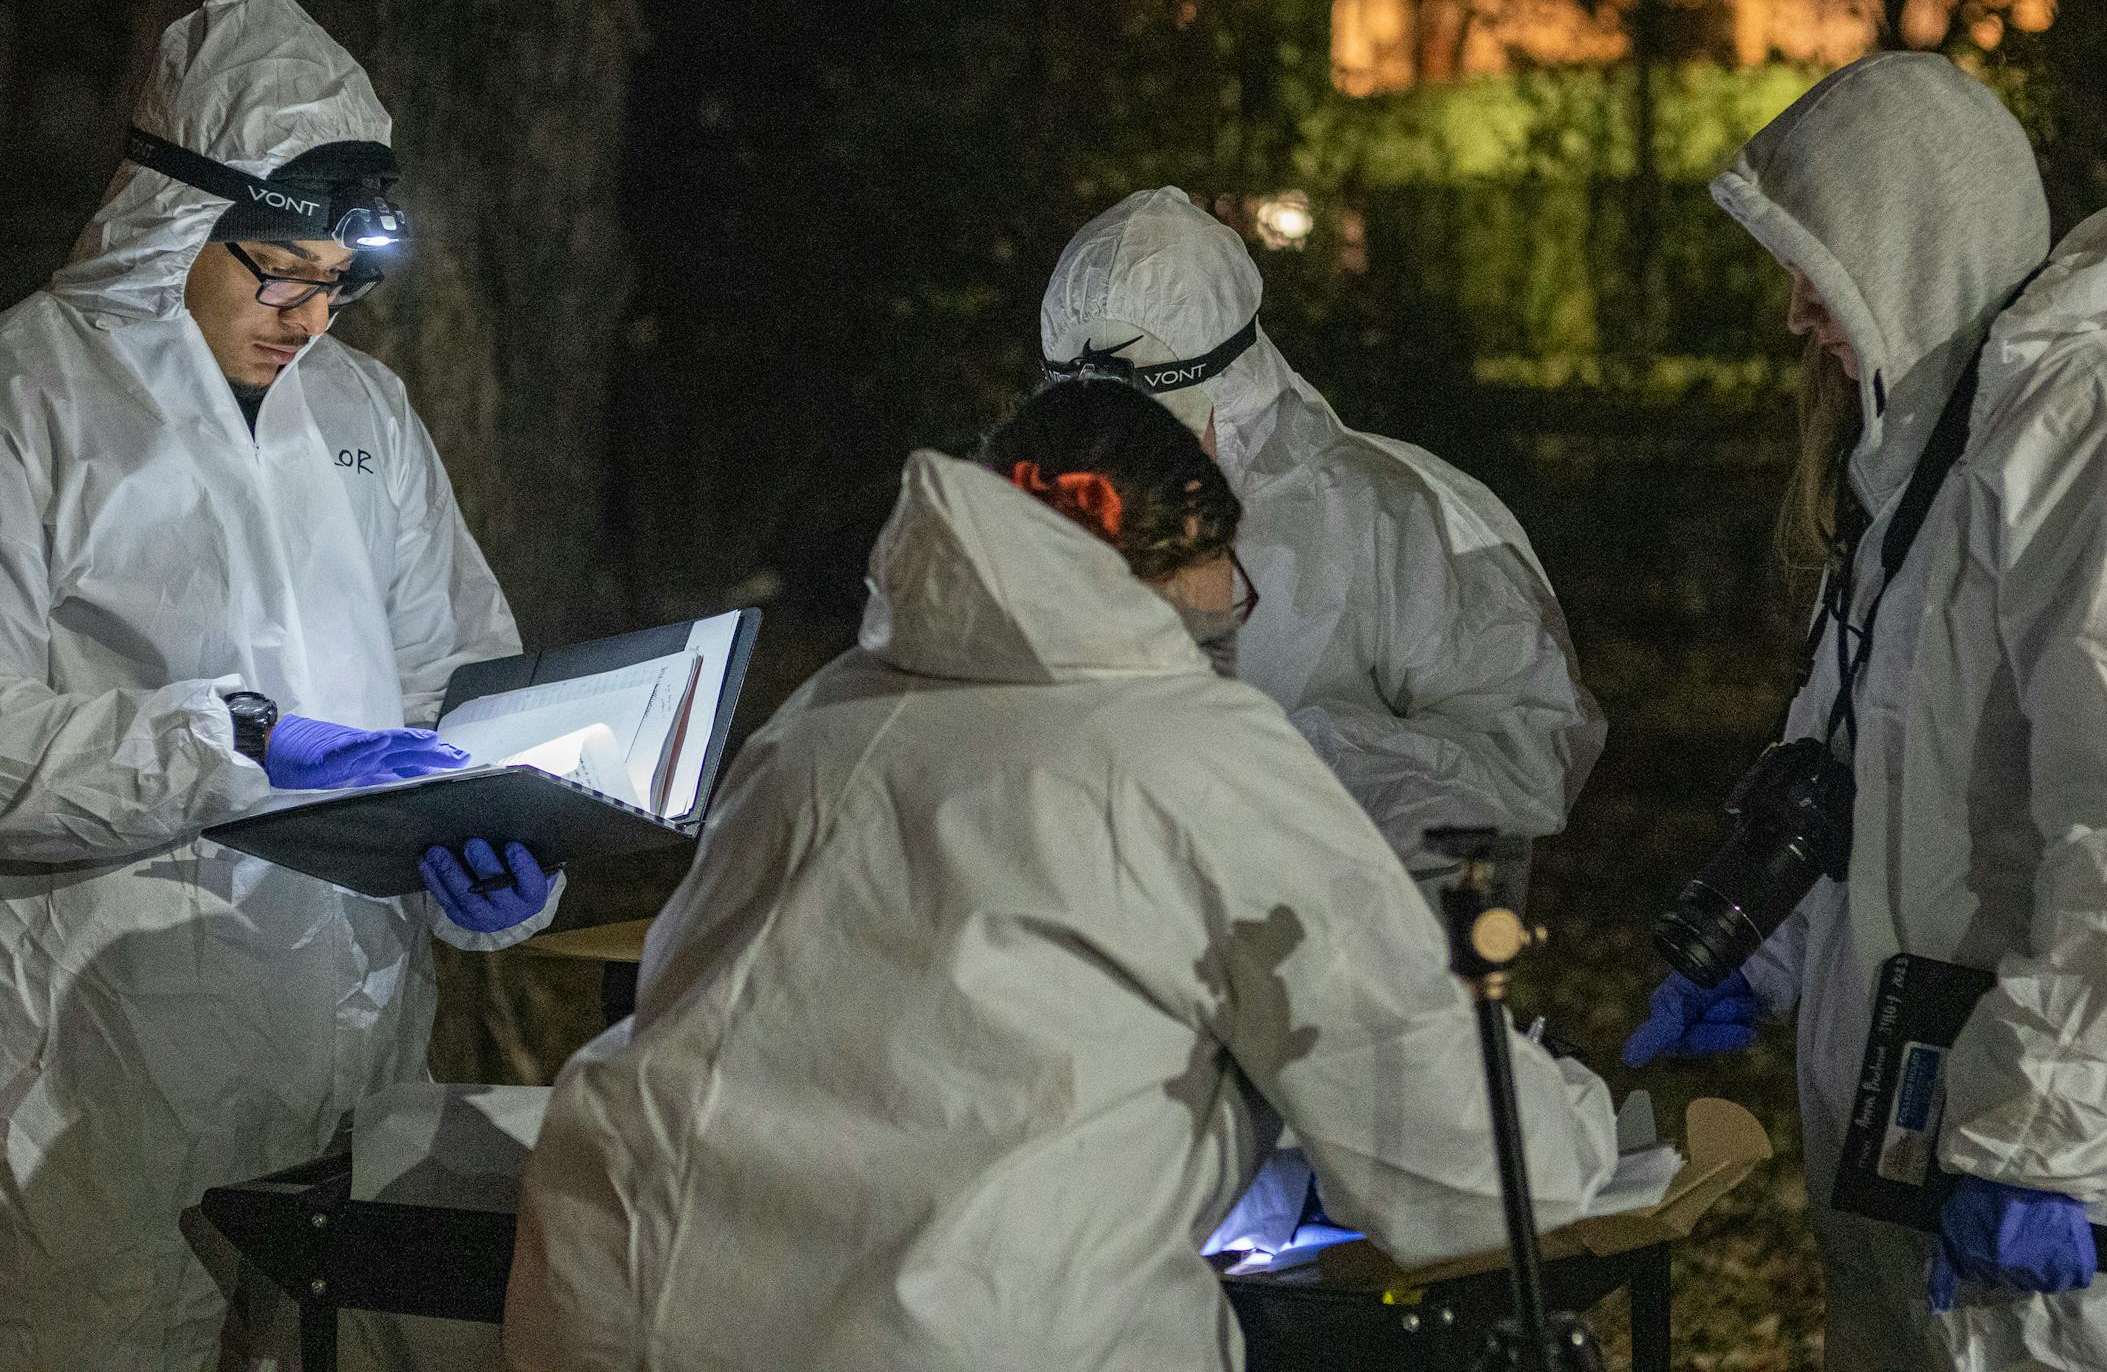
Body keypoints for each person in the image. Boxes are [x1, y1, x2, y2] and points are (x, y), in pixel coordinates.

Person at [502, 380, 1618, 1372]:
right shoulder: (1194, 748)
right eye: (1226, 576)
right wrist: (1573, 1109)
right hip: (967, 1331)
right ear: (1171, 561)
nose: (1236, 614)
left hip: (621, 1298)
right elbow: (1456, 1159)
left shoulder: (822, 721)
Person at [0, 0, 560, 1369]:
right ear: (173, 217)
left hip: (355, 1065)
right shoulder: (33, 396)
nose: (310, 316)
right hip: (110, 1084)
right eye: (280, 276)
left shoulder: (365, 414)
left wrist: (494, 852)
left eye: (340, 284)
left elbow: (454, 685)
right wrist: (238, 741)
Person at [1626, 51, 2107, 1369]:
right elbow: (1866, 762)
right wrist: (1759, 949)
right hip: (1907, 1130)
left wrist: (2050, 1138)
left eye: (1823, 265)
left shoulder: (2076, 420)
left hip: (2030, 1184)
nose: (1799, 310)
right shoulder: (1922, 453)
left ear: (1914, 243)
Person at [1038, 189, 1604, 892]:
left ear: (1237, 387)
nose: (1128, 465)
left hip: (1344, 967)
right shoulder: (1042, 518)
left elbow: (1527, 752)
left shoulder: (1399, 515)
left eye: (1161, 429)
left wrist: (1295, 771)